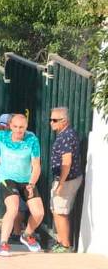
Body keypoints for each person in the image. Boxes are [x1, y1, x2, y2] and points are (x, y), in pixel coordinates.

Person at [0, 114, 45, 256]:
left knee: (39, 213)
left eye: (22, 127)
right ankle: (3, 244)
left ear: (26, 127)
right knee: (13, 208)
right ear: (10, 126)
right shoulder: (3, 136)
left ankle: (26, 235)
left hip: (27, 180)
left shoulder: (32, 140)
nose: (19, 130)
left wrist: (32, 183)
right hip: (7, 178)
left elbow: (36, 165)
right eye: (15, 127)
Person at [48, 107, 83, 253]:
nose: (51, 123)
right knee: (57, 209)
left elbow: (66, 162)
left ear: (64, 121)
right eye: (51, 119)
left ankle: (65, 244)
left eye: (55, 120)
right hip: (65, 179)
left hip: (67, 180)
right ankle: (61, 242)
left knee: (60, 211)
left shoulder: (66, 136)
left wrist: (61, 184)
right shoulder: (65, 134)